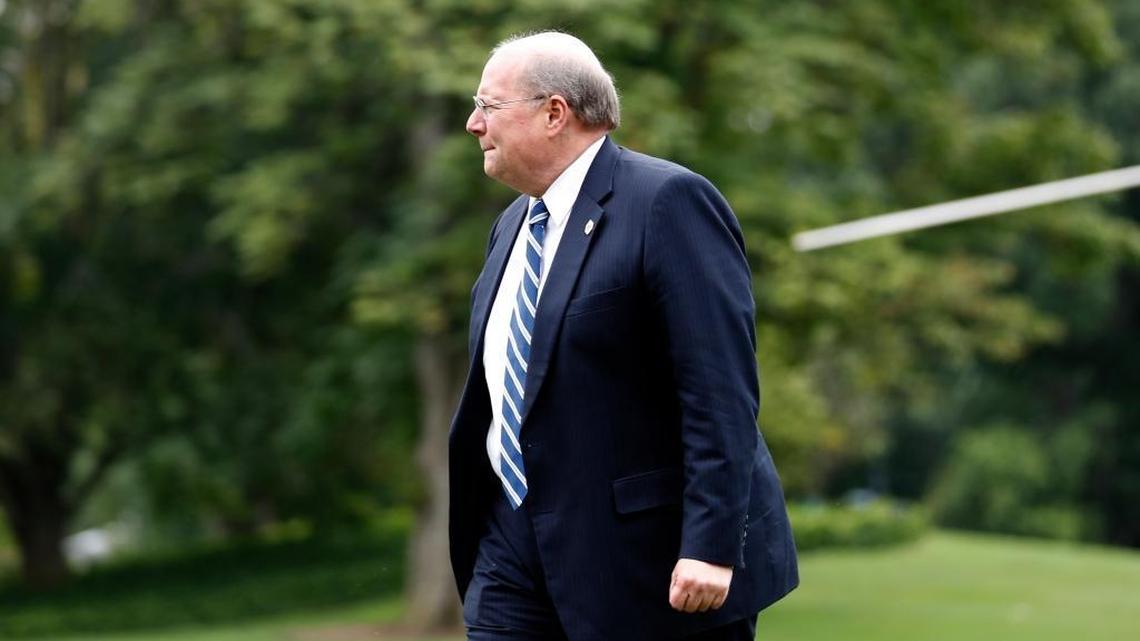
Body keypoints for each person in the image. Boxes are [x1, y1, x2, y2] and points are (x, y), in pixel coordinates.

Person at [449, 31, 798, 641]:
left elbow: (719, 389)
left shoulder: (668, 202)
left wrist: (711, 546)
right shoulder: (511, 227)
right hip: (513, 555)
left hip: (648, 567)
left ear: (554, 113)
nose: (475, 123)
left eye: (489, 106)